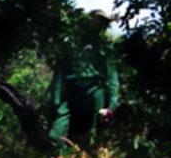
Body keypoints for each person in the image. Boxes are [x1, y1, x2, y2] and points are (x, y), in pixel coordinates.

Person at [49, 9, 119, 148]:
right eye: (96, 20)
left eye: (102, 22)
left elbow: (112, 75)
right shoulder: (72, 43)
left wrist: (112, 104)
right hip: (72, 93)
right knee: (56, 134)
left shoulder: (104, 46)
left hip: (94, 93)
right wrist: (55, 100)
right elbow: (60, 72)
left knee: (89, 136)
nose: (98, 25)